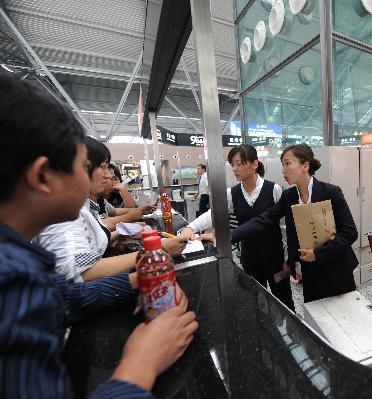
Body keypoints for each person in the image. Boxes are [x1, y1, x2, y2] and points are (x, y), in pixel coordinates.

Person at [0, 72, 198, 398]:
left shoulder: (20, 263)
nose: (100, 178)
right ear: (43, 176)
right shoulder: (11, 282)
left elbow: (63, 298)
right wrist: (140, 364)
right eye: (84, 167)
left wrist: (141, 279)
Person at [37, 136, 187, 282]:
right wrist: (156, 251)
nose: (108, 176)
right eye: (103, 167)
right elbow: (82, 272)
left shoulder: (78, 209)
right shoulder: (62, 212)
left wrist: (123, 232)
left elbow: (95, 241)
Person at [230, 144, 358, 303]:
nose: (283, 170)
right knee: (316, 316)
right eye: (282, 164)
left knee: (342, 317)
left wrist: (317, 254)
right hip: (309, 270)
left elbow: (350, 233)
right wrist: (228, 236)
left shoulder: (330, 192)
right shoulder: (289, 196)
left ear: (305, 166)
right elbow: (263, 220)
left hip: (336, 266)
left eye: (288, 163)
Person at [180, 144, 294, 310]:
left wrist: (289, 258)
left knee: (284, 299)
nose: (234, 168)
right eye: (232, 164)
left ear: (254, 164)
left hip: (274, 256)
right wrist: (191, 227)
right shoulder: (231, 194)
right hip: (249, 256)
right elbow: (214, 213)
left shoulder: (273, 189)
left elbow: (286, 225)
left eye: (239, 163)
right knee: (253, 298)